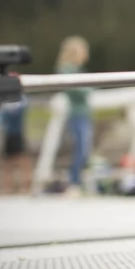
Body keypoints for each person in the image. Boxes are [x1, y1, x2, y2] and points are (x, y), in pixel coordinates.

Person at [53, 36, 94, 195]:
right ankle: (74, 183)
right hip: (76, 114)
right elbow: (80, 90)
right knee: (80, 149)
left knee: (85, 150)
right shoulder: (67, 68)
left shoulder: (77, 69)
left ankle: (80, 182)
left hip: (84, 113)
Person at [0, 95, 33, 194]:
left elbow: (25, 103)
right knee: (6, 163)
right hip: (8, 135)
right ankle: (7, 187)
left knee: (23, 160)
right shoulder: (4, 102)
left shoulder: (21, 101)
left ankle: (26, 187)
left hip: (18, 134)